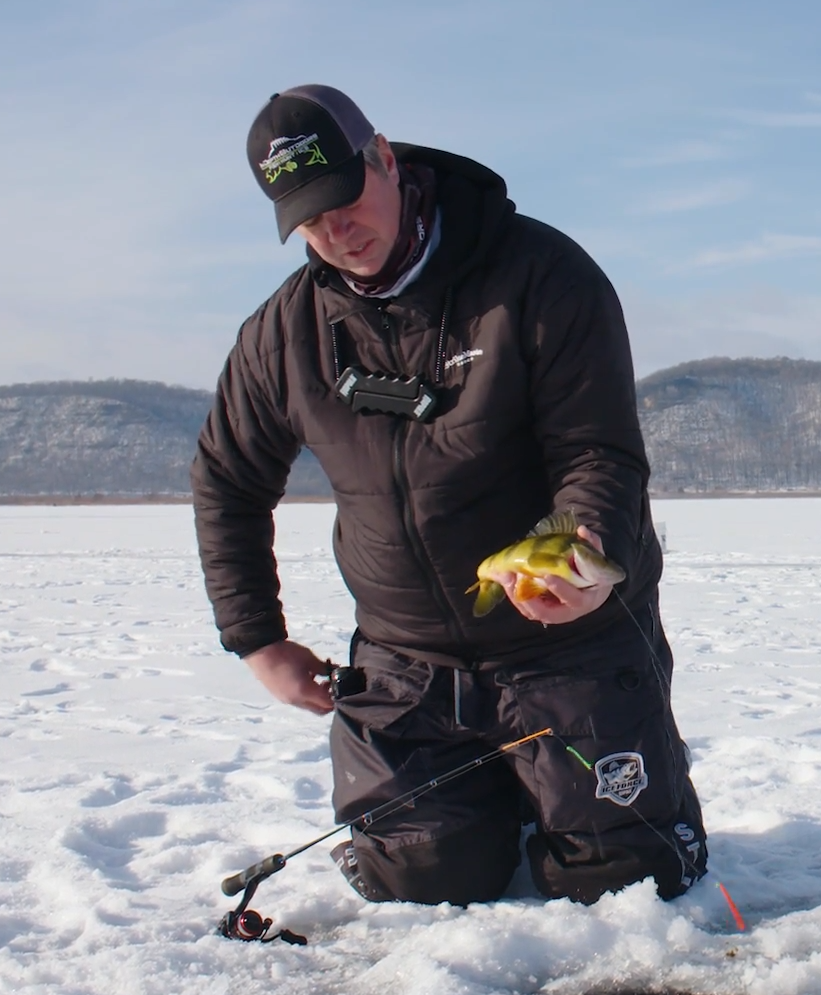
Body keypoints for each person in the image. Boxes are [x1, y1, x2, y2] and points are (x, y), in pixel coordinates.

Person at [192, 84, 707, 906]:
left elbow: (598, 452)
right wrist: (257, 638)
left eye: (344, 201)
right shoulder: (283, 335)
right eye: (310, 222)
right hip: (407, 666)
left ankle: (565, 802)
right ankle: (491, 801)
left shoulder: (540, 277)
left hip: (564, 651)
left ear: (386, 158)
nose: (337, 233)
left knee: (625, 881)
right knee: (419, 880)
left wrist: (580, 559)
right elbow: (227, 480)